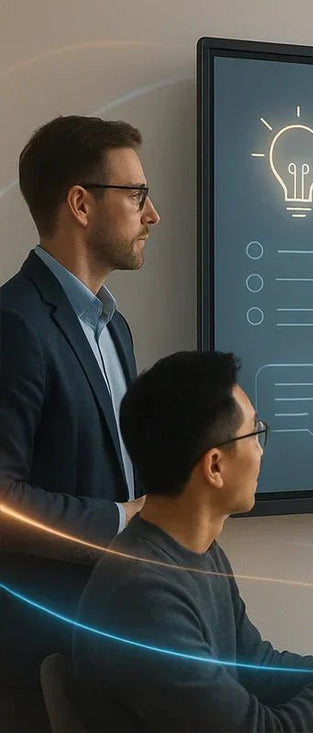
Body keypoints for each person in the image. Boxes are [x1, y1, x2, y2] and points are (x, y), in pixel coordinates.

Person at [71, 350, 313, 731]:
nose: (261, 450)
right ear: (215, 466)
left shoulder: (192, 551)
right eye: (254, 432)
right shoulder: (145, 596)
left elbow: (255, 666)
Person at [0, 115, 157, 728]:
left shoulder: (115, 327)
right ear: (80, 204)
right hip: (39, 661)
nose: (153, 214)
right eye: (137, 195)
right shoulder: (15, 325)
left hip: (113, 645)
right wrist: (122, 521)